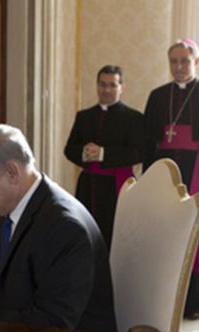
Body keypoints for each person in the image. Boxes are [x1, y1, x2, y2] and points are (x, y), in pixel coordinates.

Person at [0, 124, 117, 332]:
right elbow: (0, 286)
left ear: (12, 172)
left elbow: (51, 322)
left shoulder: (64, 227)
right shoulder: (16, 209)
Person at [144, 38, 199, 320]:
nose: (179, 67)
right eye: (174, 61)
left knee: (194, 233)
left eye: (185, 61)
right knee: (168, 234)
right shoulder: (158, 96)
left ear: (196, 62)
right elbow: (149, 142)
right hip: (166, 169)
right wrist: (149, 181)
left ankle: (197, 301)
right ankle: (168, 301)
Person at [64, 65, 146, 247]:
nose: (107, 90)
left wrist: (103, 153)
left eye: (112, 85)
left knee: (115, 238)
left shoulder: (133, 118)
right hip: (88, 186)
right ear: (97, 85)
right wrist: (84, 152)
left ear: (122, 87)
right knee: (85, 235)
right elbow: (69, 149)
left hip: (117, 187)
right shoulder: (84, 116)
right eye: (102, 84)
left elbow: (139, 152)